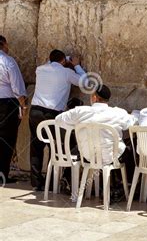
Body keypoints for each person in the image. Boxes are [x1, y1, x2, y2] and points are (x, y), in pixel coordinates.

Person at [29, 49, 87, 190]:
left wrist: (64, 59)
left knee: (36, 147)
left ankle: (37, 183)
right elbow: (86, 82)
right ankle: (55, 181)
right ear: (63, 61)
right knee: (60, 145)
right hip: (52, 114)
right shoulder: (67, 73)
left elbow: (51, 63)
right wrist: (77, 65)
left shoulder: (40, 69)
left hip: (35, 111)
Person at [55, 84, 135, 167]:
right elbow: (130, 124)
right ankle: (122, 179)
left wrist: (75, 126)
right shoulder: (118, 113)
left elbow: (58, 120)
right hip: (112, 158)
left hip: (88, 157)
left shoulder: (79, 111)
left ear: (94, 97)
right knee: (129, 146)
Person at [0, 36, 27, 183]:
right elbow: (17, 87)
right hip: (6, 105)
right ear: (4, 44)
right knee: (6, 140)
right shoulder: (8, 61)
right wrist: (22, 105)